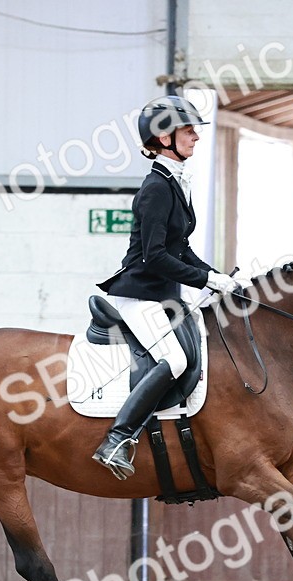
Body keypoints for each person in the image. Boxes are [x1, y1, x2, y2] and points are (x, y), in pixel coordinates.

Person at [91, 95, 240, 479]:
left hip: (162, 293)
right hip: (138, 293)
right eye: (188, 130)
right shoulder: (156, 188)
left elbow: (181, 248)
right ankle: (116, 440)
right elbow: (155, 256)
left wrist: (219, 277)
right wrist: (206, 279)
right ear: (164, 137)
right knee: (175, 360)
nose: (195, 137)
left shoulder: (175, 183)